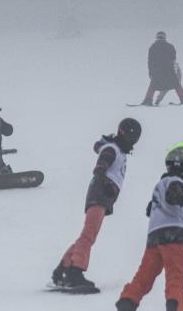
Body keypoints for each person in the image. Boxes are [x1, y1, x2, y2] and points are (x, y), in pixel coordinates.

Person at [110, 141, 183, 311]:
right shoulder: (176, 182)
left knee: (143, 278)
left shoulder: (159, 185)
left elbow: (150, 209)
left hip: (154, 238)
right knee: (175, 277)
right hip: (173, 236)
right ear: (178, 165)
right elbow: (173, 196)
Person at [51, 118, 142, 290]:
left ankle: (63, 269)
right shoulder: (111, 149)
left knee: (88, 234)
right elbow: (100, 168)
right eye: (132, 137)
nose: (133, 141)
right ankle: (75, 272)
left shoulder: (117, 150)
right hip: (100, 193)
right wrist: (106, 184)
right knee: (89, 234)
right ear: (124, 133)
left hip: (103, 194)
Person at [139, 31, 183, 106]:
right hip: (169, 71)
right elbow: (173, 58)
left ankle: (148, 100)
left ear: (157, 37)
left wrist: (151, 72)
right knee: (176, 85)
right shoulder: (170, 46)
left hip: (157, 71)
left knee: (152, 86)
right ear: (164, 37)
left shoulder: (152, 47)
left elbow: (150, 62)